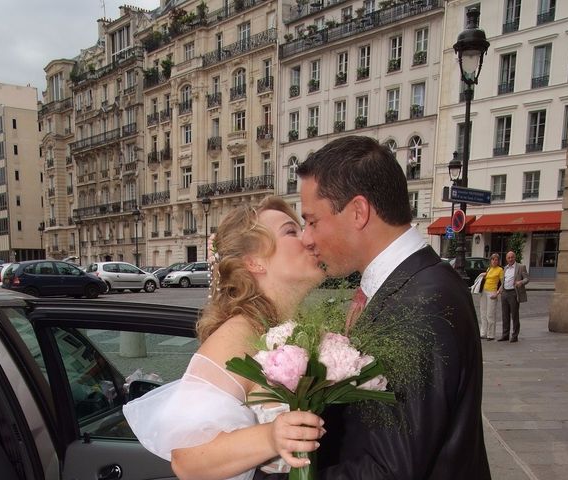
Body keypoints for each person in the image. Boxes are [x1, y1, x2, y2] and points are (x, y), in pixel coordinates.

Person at [279, 135, 489, 479]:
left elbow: (392, 469)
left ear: (358, 212)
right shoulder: (414, 284)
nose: (306, 238)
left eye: (312, 221)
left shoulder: (422, 301)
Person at [124, 196, 326, 480]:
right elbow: (186, 460)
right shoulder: (240, 334)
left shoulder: (297, 328)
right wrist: (271, 437)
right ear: (255, 261)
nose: (307, 237)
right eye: (291, 231)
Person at [497, 250, 529, 342]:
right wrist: (500, 291)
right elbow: (504, 281)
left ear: (515, 258)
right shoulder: (505, 268)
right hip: (505, 293)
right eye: (508, 257)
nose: (510, 259)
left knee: (514, 315)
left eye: (512, 257)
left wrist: (520, 282)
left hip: (514, 293)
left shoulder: (521, 267)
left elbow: (527, 279)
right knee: (505, 315)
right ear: (506, 259)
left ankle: (515, 335)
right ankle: (505, 335)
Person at [479, 253, 503, 340]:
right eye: (493, 259)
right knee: (483, 313)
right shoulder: (489, 269)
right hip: (484, 292)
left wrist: (497, 293)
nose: (494, 261)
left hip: (492, 292)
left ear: (498, 261)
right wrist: (483, 275)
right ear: (490, 260)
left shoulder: (500, 270)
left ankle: (491, 335)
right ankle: (483, 333)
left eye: (496, 260)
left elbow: (503, 283)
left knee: (490, 314)